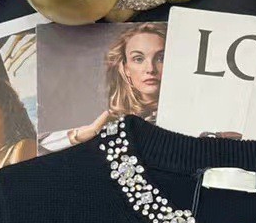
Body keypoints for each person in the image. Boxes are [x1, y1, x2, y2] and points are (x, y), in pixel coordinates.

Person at [41, 22, 165, 152]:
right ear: (126, 68)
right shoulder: (115, 120)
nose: (150, 69)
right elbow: (42, 146)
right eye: (138, 59)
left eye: (160, 58)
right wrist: (87, 132)